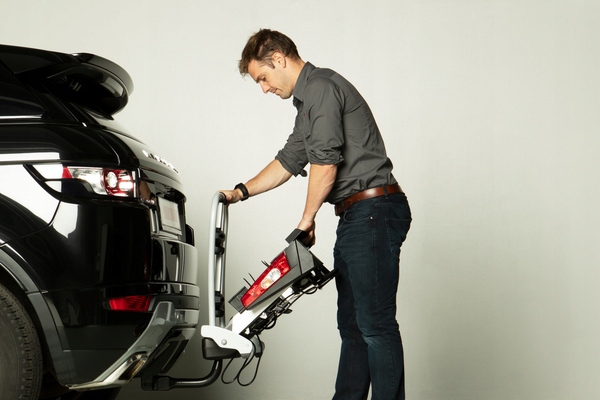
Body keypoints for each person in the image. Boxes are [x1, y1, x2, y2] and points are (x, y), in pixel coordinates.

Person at [220, 29, 412, 400]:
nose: (264, 89)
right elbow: (290, 159)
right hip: (357, 216)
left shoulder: (322, 87)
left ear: (278, 59)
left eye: (263, 78)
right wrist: (240, 192)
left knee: (375, 326)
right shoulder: (308, 102)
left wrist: (306, 220)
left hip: (373, 211)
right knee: (353, 329)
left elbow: (325, 163)